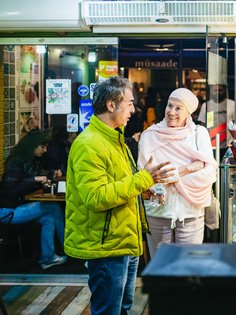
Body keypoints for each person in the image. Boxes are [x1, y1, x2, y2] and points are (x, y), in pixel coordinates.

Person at [64, 75, 175, 315]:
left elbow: (119, 185)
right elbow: (96, 197)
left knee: (122, 308)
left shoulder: (115, 139)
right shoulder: (89, 144)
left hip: (124, 240)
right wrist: (144, 178)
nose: (134, 110)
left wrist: (143, 191)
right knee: (108, 310)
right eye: (129, 103)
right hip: (106, 246)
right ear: (111, 105)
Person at [138, 88, 217, 258]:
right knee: (160, 266)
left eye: (178, 108)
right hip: (157, 211)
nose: (171, 112)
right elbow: (146, 178)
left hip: (191, 213)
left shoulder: (199, 134)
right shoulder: (149, 136)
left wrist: (167, 179)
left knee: (189, 267)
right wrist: (185, 169)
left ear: (188, 112)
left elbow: (209, 175)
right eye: (169, 105)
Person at [0, 129, 66, 269]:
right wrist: (34, 179)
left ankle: (48, 258)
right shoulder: (16, 163)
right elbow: (9, 191)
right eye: (43, 147)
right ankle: (67, 248)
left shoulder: (32, 161)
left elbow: (33, 178)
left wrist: (50, 176)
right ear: (32, 146)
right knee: (53, 207)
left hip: (18, 207)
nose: (45, 150)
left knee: (49, 217)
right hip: (7, 212)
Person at [198, 84, 235, 152]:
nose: (217, 92)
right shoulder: (206, 105)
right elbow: (203, 125)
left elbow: (235, 124)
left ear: (225, 91)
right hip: (210, 143)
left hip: (228, 144)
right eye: (215, 90)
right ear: (211, 91)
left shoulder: (232, 104)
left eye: (220, 90)